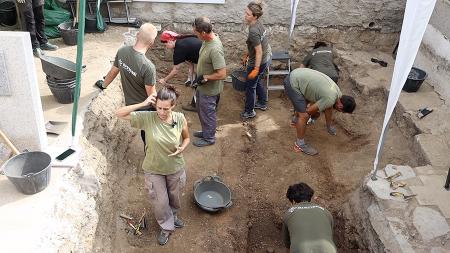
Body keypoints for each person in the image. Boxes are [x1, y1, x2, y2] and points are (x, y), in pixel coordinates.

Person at [116, 85, 190, 246]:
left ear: (173, 106)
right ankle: (166, 227)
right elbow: (119, 113)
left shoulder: (180, 118)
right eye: (159, 108)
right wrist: (142, 104)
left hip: (175, 167)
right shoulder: (148, 118)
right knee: (160, 202)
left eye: (166, 109)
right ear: (155, 105)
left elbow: (186, 138)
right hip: (153, 169)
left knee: (174, 197)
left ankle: (174, 216)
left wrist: (182, 147)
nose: (162, 113)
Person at [95, 23, 158, 143]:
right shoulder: (148, 66)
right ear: (152, 43)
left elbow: (113, 72)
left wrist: (103, 85)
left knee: (146, 135)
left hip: (132, 106)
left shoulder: (122, 51)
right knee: (151, 137)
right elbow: (152, 96)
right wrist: (163, 112)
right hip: (145, 109)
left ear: (137, 35)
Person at [284, 68, 356, 155]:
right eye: (342, 111)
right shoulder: (330, 98)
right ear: (340, 106)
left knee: (306, 104)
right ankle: (300, 144)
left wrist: (329, 126)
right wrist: (315, 114)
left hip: (298, 74)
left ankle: (295, 121)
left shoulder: (337, 93)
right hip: (292, 82)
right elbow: (308, 111)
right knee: (304, 116)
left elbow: (328, 107)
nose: (340, 112)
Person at [191, 17, 227, 147]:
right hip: (203, 87)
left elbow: (222, 74)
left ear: (204, 33)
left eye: (196, 32)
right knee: (201, 110)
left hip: (210, 90)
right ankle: (206, 132)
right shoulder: (207, 40)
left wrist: (205, 76)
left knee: (208, 113)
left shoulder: (215, 49)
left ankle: (209, 138)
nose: (195, 34)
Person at [283, 182, 337, 253]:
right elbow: (330, 237)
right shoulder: (325, 211)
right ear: (310, 197)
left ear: (293, 200)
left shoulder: (289, 213)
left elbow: (288, 245)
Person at [240, 0, 272, 119]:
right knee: (257, 81)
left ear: (255, 16)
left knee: (250, 86)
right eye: (245, 12)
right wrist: (246, 55)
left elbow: (258, 51)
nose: (245, 15)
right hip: (267, 56)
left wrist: (256, 69)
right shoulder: (258, 23)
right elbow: (255, 46)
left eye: (248, 14)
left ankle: (249, 111)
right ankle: (262, 103)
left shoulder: (253, 31)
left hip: (259, 61)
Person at [158, 30, 202, 112]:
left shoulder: (179, 49)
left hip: (205, 63)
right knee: (195, 81)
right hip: (204, 58)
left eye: (166, 44)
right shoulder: (183, 39)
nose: (166, 46)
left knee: (198, 84)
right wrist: (190, 78)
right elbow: (191, 63)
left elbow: (175, 70)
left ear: (170, 41)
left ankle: (196, 106)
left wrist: (164, 80)